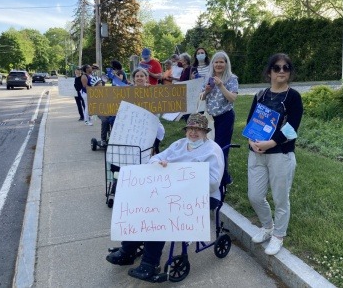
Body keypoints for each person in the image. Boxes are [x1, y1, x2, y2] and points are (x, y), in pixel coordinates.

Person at [106, 113, 225, 282]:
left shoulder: (212, 150)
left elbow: (213, 183)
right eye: (191, 128)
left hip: (201, 196)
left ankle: (150, 263)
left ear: (205, 132)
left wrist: (183, 174)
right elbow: (155, 158)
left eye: (198, 130)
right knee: (140, 206)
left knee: (159, 214)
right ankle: (128, 250)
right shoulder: (179, 144)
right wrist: (157, 164)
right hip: (172, 191)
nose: (193, 132)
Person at [246, 53, 303, 256]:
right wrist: (252, 141)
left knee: (280, 198)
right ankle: (267, 226)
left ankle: (278, 235)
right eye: (277, 67)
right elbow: (251, 122)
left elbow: (292, 128)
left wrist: (271, 143)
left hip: (281, 153)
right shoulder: (260, 95)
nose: (281, 71)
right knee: (254, 195)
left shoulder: (293, 97)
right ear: (269, 71)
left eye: (286, 68)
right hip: (256, 152)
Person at [200, 51, 238, 185]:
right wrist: (207, 91)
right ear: (212, 64)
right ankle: (211, 173)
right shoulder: (208, 77)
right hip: (209, 118)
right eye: (216, 62)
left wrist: (221, 86)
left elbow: (232, 98)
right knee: (208, 146)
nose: (218, 64)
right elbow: (200, 97)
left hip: (225, 116)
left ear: (226, 63)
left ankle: (223, 178)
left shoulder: (231, 78)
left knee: (222, 147)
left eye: (222, 61)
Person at [131, 67, 165, 153]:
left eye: (141, 76)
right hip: (134, 123)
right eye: (137, 76)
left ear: (146, 78)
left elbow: (159, 108)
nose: (139, 78)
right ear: (134, 79)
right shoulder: (128, 92)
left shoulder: (153, 90)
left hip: (150, 122)